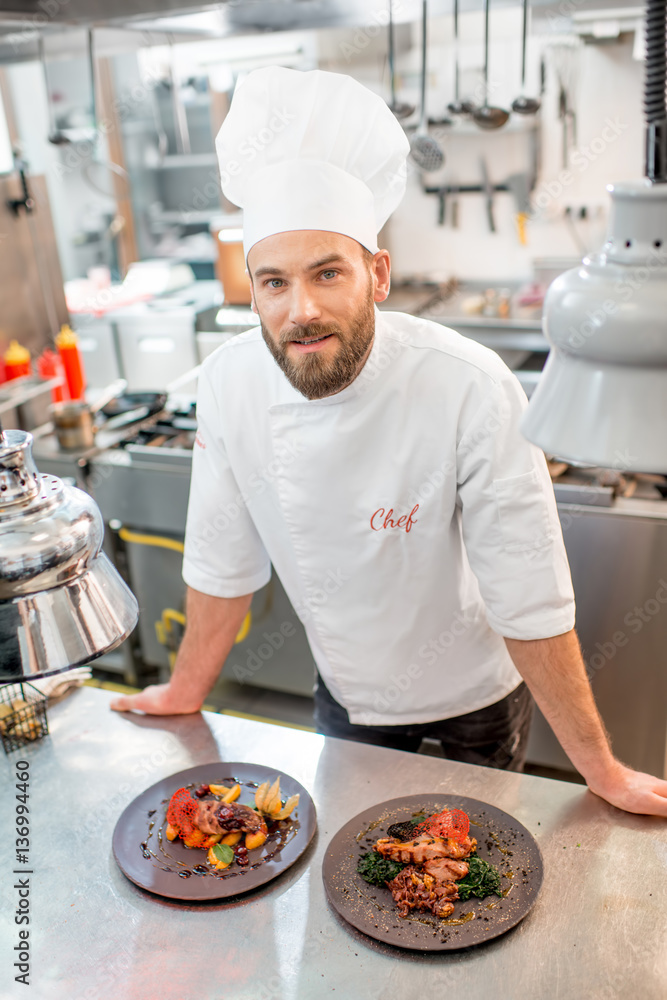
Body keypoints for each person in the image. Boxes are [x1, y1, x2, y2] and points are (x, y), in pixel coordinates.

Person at [111, 67, 667, 818]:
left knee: (478, 867)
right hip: (349, 694)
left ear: (377, 274)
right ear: (251, 289)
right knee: (357, 865)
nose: (299, 310)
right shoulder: (228, 385)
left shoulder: (469, 384)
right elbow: (222, 560)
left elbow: (526, 589)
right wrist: (184, 694)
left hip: (476, 691)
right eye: (272, 282)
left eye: (326, 273)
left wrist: (599, 769)